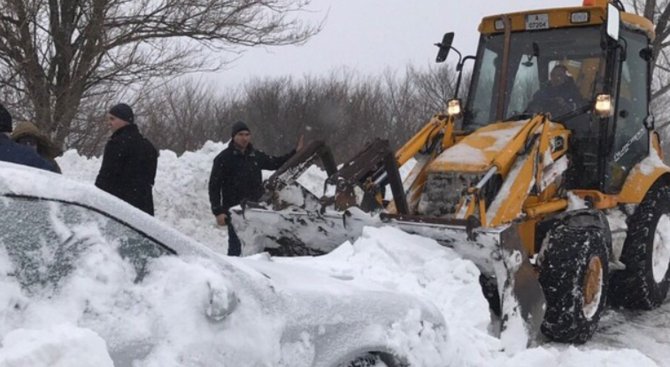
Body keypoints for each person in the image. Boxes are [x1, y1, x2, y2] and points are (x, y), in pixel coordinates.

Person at [209, 121, 303, 256]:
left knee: (256, 247)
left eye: (247, 134)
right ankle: (233, 273)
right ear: (233, 136)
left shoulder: (255, 156)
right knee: (237, 247)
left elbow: (276, 162)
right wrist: (218, 211)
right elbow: (214, 186)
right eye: (240, 134)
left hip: (256, 210)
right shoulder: (223, 158)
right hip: (235, 211)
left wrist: (295, 153)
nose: (244, 138)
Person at [95, 103, 159, 215]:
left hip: (120, 208)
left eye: (112, 119)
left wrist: (96, 201)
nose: (109, 123)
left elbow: (105, 178)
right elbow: (150, 180)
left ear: (124, 120)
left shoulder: (116, 144)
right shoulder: (149, 146)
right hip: (144, 207)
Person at [0, 104, 56, 172]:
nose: (28, 145)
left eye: (32, 142)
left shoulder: (46, 162)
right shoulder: (28, 157)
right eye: (23, 142)